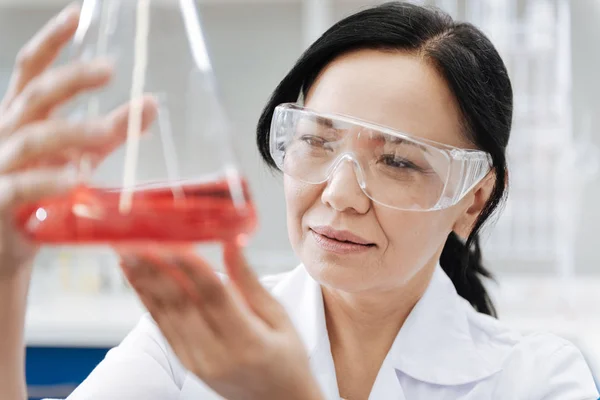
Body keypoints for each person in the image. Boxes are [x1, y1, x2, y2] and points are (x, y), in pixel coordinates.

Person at [0, 2, 598, 399]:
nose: (338, 196)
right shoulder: (188, 337)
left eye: (396, 162)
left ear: (471, 200)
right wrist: (5, 274)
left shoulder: (538, 379)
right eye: (315, 141)